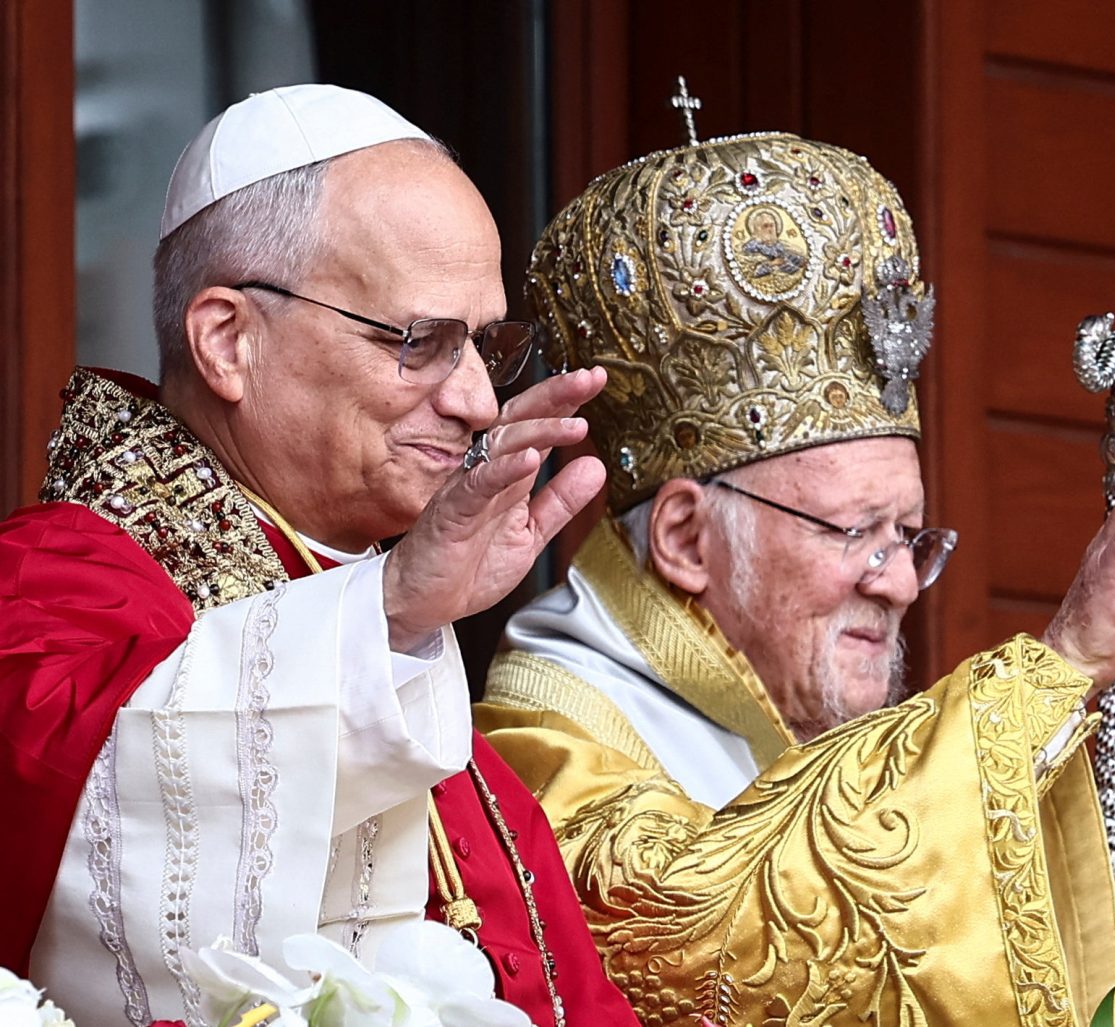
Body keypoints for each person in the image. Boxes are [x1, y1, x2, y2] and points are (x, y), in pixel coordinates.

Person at [478, 131, 1115, 1027]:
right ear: (687, 538)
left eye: (910, 535)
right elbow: (716, 937)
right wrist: (1060, 663)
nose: (900, 584)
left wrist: (1093, 983)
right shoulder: (542, 744)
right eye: (855, 533)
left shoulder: (825, 734)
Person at [0, 84, 638, 1027]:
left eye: (485, 346)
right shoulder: (49, 582)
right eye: (419, 342)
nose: (472, 400)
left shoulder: (409, 678)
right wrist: (390, 614)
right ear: (228, 341)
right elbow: (60, 804)